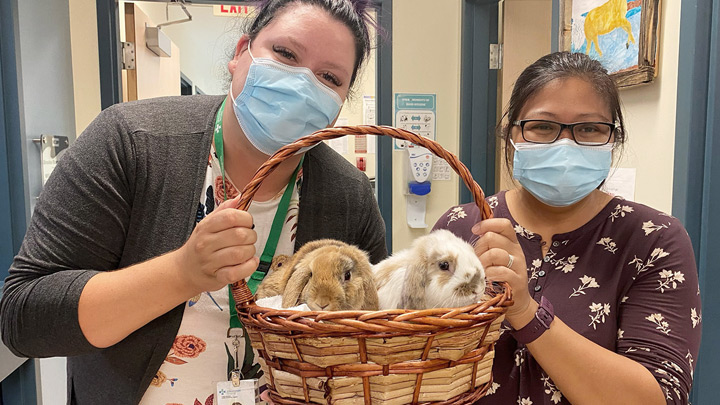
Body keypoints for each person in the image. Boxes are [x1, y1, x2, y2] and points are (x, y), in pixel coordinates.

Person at [0, 0, 386, 403]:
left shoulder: (349, 195)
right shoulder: (130, 142)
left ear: (340, 103)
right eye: (285, 54)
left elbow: (377, 335)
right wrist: (182, 273)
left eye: (329, 77)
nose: (303, 83)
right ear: (241, 54)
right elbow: (24, 319)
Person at [434, 52, 701, 404]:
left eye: (589, 129)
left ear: (613, 139)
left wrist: (526, 311)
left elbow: (657, 397)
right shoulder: (460, 228)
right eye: (543, 126)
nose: (565, 145)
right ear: (512, 133)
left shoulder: (654, 241)